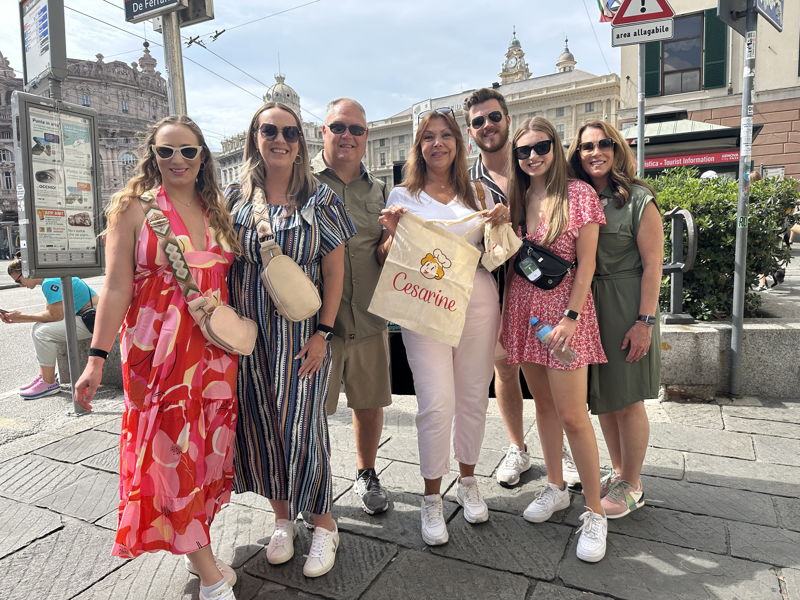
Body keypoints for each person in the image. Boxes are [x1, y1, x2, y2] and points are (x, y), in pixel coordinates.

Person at [74, 115, 241, 600]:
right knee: (170, 453)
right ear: (153, 155)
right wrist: (95, 357)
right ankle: (210, 577)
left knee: (204, 452)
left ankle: (199, 547)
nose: (177, 160)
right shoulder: (134, 209)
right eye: (166, 151)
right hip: (159, 357)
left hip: (212, 357)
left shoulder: (216, 209)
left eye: (188, 151)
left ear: (202, 157)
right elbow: (117, 287)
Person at [226, 101, 355, 578]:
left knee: (303, 429)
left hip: (303, 338)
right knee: (262, 425)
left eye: (290, 132)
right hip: (250, 339)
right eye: (269, 131)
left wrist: (324, 332)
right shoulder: (235, 199)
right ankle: (282, 518)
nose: (279, 140)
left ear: (302, 142)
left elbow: (336, 271)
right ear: (254, 137)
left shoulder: (320, 199)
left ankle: (324, 523)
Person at [378, 107, 508, 546]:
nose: (437, 143)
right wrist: (392, 235)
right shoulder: (402, 195)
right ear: (419, 146)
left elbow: (495, 254)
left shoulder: (479, 194)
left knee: (473, 396)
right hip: (425, 303)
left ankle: (468, 481)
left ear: (459, 143)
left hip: (477, 299)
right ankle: (432, 496)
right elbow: (386, 258)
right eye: (429, 137)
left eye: (445, 136)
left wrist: (500, 227)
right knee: (435, 403)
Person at [502, 117, 608, 562]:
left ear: (554, 146)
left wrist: (571, 316)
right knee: (542, 405)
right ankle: (555, 485)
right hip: (524, 311)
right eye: (523, 151)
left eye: (540, 147)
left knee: (573, 414)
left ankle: (596, 510)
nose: (532, 157)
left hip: (566, 315)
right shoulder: (519, 196)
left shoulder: (579, 195)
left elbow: (586, 265)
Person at [464, 88, 581, 489]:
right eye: (478, 121)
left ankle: (559, 447)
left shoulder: (532, 165)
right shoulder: (467, 183)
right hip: (488, 287)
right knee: (504, 367)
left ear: (507, 120)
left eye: (493, 117)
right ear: (470, 132)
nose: (487, 126)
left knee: (552, 371)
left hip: (539, 289)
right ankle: (518, 446)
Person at [567, 121, 662, 520]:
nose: (595, 152)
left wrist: (645, 320)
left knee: (628, 399)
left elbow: (654, 263)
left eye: (603, 143)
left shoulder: (639, 199)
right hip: (591, 304)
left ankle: (633, 483)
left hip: (625, 303)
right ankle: (620, 472)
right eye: (587, 146)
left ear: (617, 148)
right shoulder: (579, 196)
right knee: (605, 399)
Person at [310, 97, 391, 515]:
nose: (347, 136)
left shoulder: (379, 190)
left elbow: (383, 253)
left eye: (356, 129)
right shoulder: (301, 183)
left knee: (369, 402)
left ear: (366, 136)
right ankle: (313, 481)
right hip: (316, 323)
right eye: (338, 127)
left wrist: (394, 239)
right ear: (323, 131)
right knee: (311, 409)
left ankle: (367, 472)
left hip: (369, 315)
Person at [3, 258, 98, 399]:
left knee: (42, 333)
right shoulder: (50, 278)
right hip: (90, 316)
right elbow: (51, 315)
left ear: (26, 272)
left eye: (18, 280)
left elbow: (55, 316)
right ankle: (45, 376)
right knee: (39, 328)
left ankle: (49, 383)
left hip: (92, 320)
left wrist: (21, 317)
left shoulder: (49, 282)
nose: (19, 285)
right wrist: (19, 318)